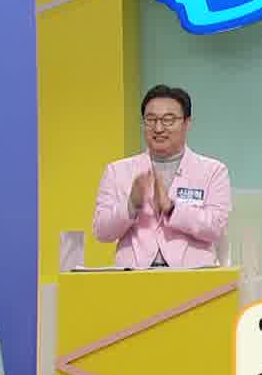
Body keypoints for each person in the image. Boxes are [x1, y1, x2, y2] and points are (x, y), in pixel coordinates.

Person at [92, 85, 232, 269]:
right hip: (133, 275)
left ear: (187, 123)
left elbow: (216, 228)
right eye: (151, 120)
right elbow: (102, 232)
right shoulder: (117, 171)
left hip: (192, 275)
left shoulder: (213, 171)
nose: (158, 128)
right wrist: (131, 206)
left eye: (168, 120)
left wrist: (172, 209)